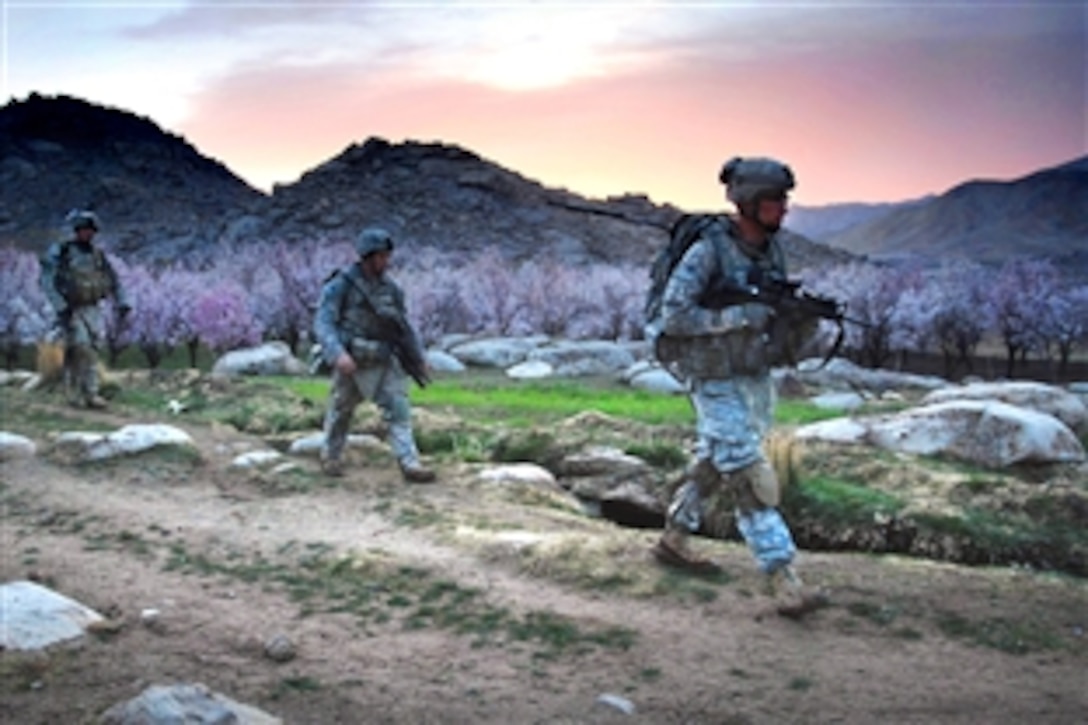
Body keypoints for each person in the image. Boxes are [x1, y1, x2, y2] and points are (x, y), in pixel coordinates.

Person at [648, 157, 828, 618]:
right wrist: (737, 318)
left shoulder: (771, 251)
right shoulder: (708, 251)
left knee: (717, 456)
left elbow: (771, 309)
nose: (783, 210)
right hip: (709, 373)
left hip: (749, 371)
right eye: (774, 201)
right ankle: (783, 577)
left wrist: (797, 321)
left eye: (785, 201)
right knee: (747, 468)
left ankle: (673, 537)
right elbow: (675, 315)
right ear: (748, 203)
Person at [313, 226, 436, 483]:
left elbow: (404, 327)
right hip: (352, 360)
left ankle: (409, 463)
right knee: (341, 410)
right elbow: (324, 322)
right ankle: (331, 456)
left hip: (383, 358)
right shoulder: (341, 285)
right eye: (380, 256)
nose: (385, 261)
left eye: (386, 256)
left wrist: (419, 358)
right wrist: (337, 353)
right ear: (367, 257)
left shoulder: (391, 290)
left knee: (399, 410)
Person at [39, 209, 131, 409]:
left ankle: (88, 393)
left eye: (91, 230)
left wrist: (122, 302)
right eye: (84, 230)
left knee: (92, 349)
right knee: (80, 348)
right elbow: (47, 279)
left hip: (93, 308)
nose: (88, 234)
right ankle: (80, 393)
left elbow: (114, 280)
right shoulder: (61, 251)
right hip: (71, 308)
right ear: (77, 230)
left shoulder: (98, 256)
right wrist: (60, 305)